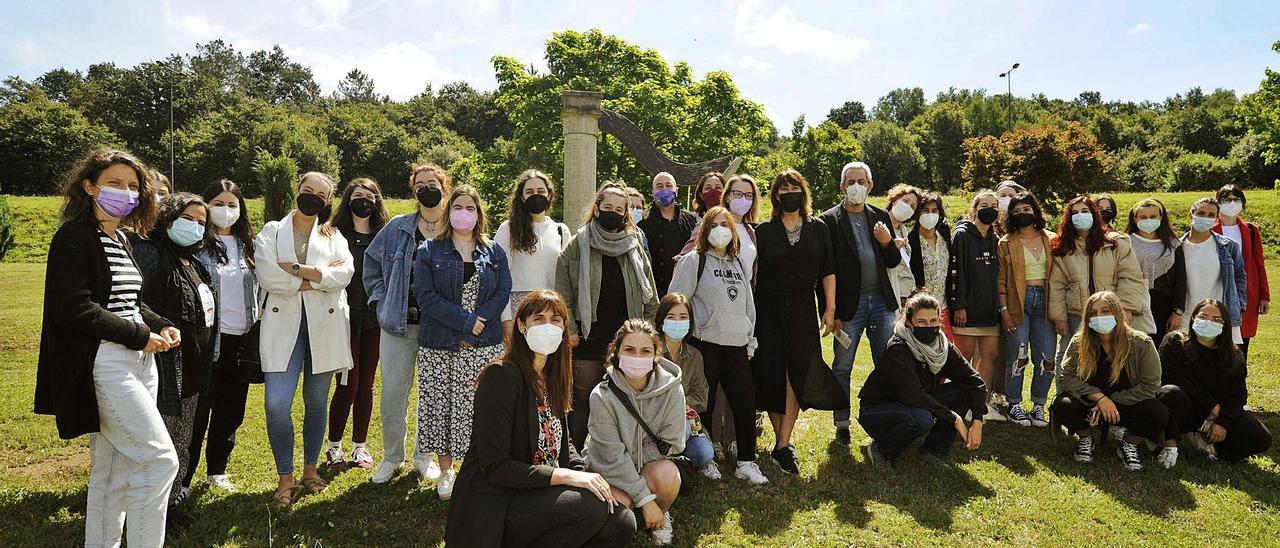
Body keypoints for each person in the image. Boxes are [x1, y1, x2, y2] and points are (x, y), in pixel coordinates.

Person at [35, 149, 179, 547]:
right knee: (158, 460)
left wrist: (159, 324)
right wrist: (137, 335)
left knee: (112, 473)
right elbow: (73, 306)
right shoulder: (75, 235)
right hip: (106, 363)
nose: (125, 192)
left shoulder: (120, 238)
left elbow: (129, 301)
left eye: (133, 186)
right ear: (89, 186)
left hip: (138, 360)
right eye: (115, 183)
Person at [445, 289, 636, 547]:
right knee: (589, 508)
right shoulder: (501, 376)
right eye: (538, 319)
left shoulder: (553, 376)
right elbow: (496, 467)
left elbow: (563, 444)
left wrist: (587, 477)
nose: (548, 326)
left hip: (540, 492)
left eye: (556, 320)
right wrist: (570, 478)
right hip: (499, 501)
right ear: (522, 326)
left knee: (622, 522)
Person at [255, 171, 355, 508]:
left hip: (323, 328)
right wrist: (319, 279)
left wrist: (296, 269)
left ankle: (310, 470)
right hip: (284, 325)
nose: (312, 196)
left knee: (316, 401)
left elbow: (345, 274)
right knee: (276, 404)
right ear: (297, 190)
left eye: (320, 193)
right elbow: (268, 275)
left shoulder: (333, 235)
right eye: (307, 189)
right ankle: (286, 476)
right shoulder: (272, 231)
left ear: (328, 201)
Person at [414, 185, 512, 500]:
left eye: (470, 208)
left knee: (481, 408)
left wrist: (475, 329)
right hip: (441, 344)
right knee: (441, 406)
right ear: (448, 211)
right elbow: (426, 298)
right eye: (458, 207)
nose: (464, 213)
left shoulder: (494, 251)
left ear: (479, 214)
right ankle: (446, 471)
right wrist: (466, 324)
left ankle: (481, 467)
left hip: (484, 344)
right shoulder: (429, 251)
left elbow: (502, 292)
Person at [132, 192, 219, 527]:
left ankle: (170, 501)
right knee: (158, 444)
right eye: (188, 219)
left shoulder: (194, 262)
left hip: (194, 369)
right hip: (163, 367)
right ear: (167, 217)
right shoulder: (150, 253)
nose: (195, 227)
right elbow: (131, 301)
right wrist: (161, 324)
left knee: (181, 441)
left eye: (201, 223)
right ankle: (148, 510)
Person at [751, 170, 846, 474]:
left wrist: (830, 308)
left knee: (798, 373)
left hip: (804, 308)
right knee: (773, 373)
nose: (789, 192)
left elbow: (828, 269)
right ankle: (781, 444)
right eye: (783, 189)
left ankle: (782, 443)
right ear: (775, 196)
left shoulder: (818, 228)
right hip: (768, 309)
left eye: (794, 187)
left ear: (803, 193)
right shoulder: (763, 231)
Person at [364, 163, 451, 483]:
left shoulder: (455, 228)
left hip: (438, 329)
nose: (427, 188)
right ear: (413, 190)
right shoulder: (398, 227)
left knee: (432, 396)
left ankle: (422, 457)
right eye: (420, 184)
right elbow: (371, 264)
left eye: (433, 182)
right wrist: (381, 301)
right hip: (398, 327)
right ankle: (391, 457)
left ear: (444, 185)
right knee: (393, 396)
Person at [668, 206, 768, 485]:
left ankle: (746, 462)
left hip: (737, 344)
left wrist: (751, 340)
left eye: (726, 224)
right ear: (705, 230)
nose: (721, 230)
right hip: (705, 344)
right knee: (705, 405)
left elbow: (749, 305)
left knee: (745, 402)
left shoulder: (739, 263)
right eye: (714, 225)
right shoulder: (693, 261)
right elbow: (677, 300)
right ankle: (706, 460)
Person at [556, 183, 659, 449]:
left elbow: (651, 295)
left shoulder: (635, 244)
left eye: (619, 209)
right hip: (589, 336)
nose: (612, 213)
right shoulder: (578, 243)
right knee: (582, 402)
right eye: (607, 207)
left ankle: (623, 460)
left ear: (626, 213)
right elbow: (563, 290)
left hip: (628, 339)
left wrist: (648, 332)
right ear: (597, 209)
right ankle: (572, 458)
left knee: (626, 403)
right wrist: (571, 329)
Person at [818, 161, 903, 446]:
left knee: (886, 361)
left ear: (870, 186)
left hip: (881, 302)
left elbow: (892, 261)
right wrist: (832, 311)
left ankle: (882, 418)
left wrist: (886, 242)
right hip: (847, 307)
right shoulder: (828, 220)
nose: (856, 186)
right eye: (850, 182)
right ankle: (842, 424)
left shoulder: (880, 216)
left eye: (861, 182)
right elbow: (824, 271)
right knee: (842, 365)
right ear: (842, 186)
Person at [585, 319, 687, 545]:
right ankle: (645, 507)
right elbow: (610, 456)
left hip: (651, 464)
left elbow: (673, 442)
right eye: (629, 350)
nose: (637, 357)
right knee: (619, 505)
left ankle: (661, 510)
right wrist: (643, 497)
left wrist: (640, 485)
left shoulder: (672, 390)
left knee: (668, 476)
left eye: (645, 351)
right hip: (612, 469)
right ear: (617, 353)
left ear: (655, 355)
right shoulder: (601, 396)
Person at [858, 292, 987, 471]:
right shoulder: (898, 347)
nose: (928, 327)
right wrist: (954, 418)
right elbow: (912, 395)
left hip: (914, 402)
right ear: (909, 323)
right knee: (921, 419)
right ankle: (881, 450)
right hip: (878, 411)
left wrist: (978, 419)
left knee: (963, 392)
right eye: (921, 322)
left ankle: (933, 451)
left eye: (933, 321)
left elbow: (974, 381)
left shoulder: (942, 346)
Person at [1051, 291, 1168, 471]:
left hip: (1127, 405)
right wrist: (1099, 398)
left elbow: (1151, 386)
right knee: (1063, 404)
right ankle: (1085, 438)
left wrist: (1111, 402)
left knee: (1157, 411)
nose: (1099, 317)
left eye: (1105, 311)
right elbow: (1065, 377)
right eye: (1093, 313)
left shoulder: (1141, 343)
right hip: (1090, 405)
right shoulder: (1079, 341)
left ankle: (1129, 443)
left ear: (1118, 313)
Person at [192, 179, 259, 493]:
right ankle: (184, 475)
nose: (226, 210)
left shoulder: (249, 246)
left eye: (233, 204)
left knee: (231, 411)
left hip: (240, 341)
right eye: (219, 203)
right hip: (207, 341)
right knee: (198, 410)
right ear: (206, 205)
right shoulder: (196, 245)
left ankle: (217, 470)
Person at [1157, 299, 1272, 464]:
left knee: (1260, 437)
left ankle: (1215, 447)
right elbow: (1170, 378)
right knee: (1169, 392)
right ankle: (1170, 446)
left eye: (1216, 319)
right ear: (1193, 318)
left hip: (1214, 415)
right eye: (1203, 316)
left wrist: (1223, 423)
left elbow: (1238, 395)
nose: (1208, 322)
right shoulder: (1174, 342)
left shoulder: (1234, 355)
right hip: (1185, 408)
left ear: (1224, 325)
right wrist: (1212, 404)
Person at [324, 178, 389, 470]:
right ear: (348, 199)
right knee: (347, 384)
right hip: (344, 318)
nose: (364, 201)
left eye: (370, 196)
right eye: (358, 195)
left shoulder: (382, 234)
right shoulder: (334, 234)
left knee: (366, 385)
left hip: (373, 318)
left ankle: (359, 447)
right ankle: (333, 446)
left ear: (377, 203)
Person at [1049, 196, 1150, 363]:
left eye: (1085, 211)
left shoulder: (1116, 243)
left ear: (1094, 214)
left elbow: (1130, 278)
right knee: (1069, 357)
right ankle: (1064, 390)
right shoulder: (1063, 248)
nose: (1080, 216)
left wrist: (1126, 307)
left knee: (1113, 355)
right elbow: (1057, 285)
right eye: (1074, 213)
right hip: (1077, 313)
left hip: (1110, 312)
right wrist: (1059, 317)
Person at [996, 192, 1056, 427]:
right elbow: (1000, 279)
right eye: (1017, 211)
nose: (1022, 214)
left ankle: (1039, 405)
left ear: (1035, 211)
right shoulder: (1006, 242)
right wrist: (1004, 310)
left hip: (1047, 301)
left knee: (1047, 355)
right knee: (1019, 355)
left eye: (1026, 209)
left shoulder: (1050, 239)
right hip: (1016, 302)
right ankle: (1014, 404)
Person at [494, 169, 571, 344]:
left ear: (549, 194)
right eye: (529, 192)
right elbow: (500, 276)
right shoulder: (508, 229)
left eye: (540, 191)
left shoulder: (561, 230)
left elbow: (566, 278)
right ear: (521, 197)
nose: (535, 196)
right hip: (518, 308)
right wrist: (505, 319)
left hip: (551, 309)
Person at [947, 190, 1004, 421]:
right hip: (966, 310)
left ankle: (982, 404)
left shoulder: (996, 238)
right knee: (965, 357)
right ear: (975, 208)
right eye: (984, 204)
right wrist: (959, 305)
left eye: (994, 205)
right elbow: (955, 272)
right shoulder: (961, 235)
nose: (989, 208)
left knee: (990, 354)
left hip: (989, 310)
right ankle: (960, 403)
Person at [653, 293, 717, 479]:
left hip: (684, 422)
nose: (677, 322)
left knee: (705, 454)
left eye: (683, 317)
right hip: (655, 422)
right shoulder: (651, 352)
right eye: (671, 317)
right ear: (661, 320)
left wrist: (682, 405)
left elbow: (702, 397)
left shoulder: (695, 356)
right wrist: (674, 403)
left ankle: (675, 460)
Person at [1213, 185, 1270, 359]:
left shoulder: (1251, 230)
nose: (1232, 203)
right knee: (1215, 338)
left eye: (1236, 199)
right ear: (1218, 203)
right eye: (1226, 199)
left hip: (1246, 293)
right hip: (1217, 288)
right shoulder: (1210, 228)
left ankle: (1238, 381)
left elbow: (1259, 263)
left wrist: (1264, 296)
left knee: (1241, 344)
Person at [1181, 198, 1247, 346]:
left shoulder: (1228, 246)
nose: (1205, 218)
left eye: (1211, 215)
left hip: (1219, 316)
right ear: (1191, 215)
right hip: (1186, 316)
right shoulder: (1177, 247)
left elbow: (1240, 277)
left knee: (1222, 363)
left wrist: (1239, 306)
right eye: (1201, 213)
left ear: (1217, 218)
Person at [1124, 198, 1186, 346]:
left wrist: (1177, 312)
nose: (1148, 220)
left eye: (1153, 217)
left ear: (1161, 217)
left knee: (1161, 347)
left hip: (1164, 305)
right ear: (1135, 218)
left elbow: (1180, 280)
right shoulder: (1125, 241)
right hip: (1135, 304)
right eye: (1143, 217)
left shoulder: (1173, 244)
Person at [637, 172, 698, 296]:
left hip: (685, 293)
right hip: (653, 293)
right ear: (653, 192)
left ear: (676, 190)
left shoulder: (691, 221)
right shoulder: (642, 223)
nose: (664, 190)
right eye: (659, 186)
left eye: (668, 185)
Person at [909, 193, 953, 340]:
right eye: (925, 210)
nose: (930, 214)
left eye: (935, 211)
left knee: (947, 351)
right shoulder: (911, 240)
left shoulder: (945, 235)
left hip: (944, 306)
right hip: (922, 309)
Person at [884, 184, 922, 306]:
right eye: (905, 201)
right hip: (888, 294)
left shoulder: (904, 231)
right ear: (894, 199)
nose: (908, 207)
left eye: (912, 206)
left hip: (906, 293)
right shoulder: (879, 224)